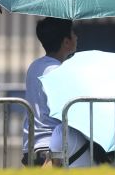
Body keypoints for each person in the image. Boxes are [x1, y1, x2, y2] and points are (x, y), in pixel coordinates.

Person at [21, 17, 77, 166]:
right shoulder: (60, 72)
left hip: (31, 145)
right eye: (73, 33)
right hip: (52, 149)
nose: (76, 37)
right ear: (66, 42)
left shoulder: (35, 66)